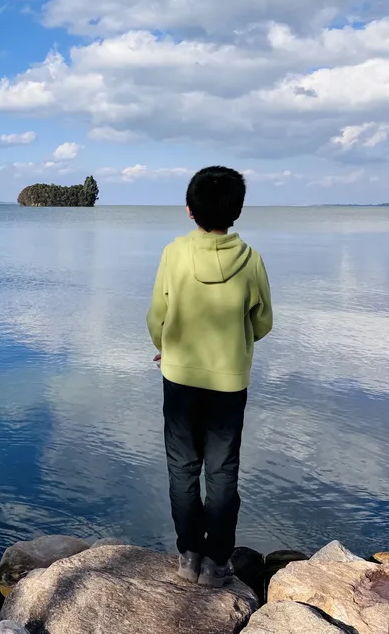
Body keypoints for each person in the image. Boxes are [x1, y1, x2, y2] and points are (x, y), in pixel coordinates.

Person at [146, 166, 273, 588]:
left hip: (179, 377)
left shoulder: (173, 253)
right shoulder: (251, 259)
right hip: (229, 383)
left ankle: (188, 556)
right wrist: (239, 340)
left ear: (189, 210)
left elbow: (157, 316)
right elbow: (263, 321)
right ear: (236, 211)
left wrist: (166, 346)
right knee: (222, 471)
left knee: (182, 468)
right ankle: (218, 562)